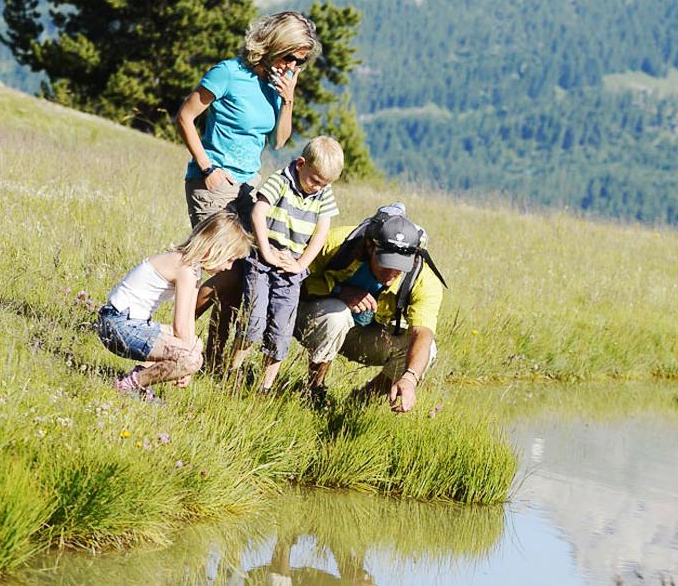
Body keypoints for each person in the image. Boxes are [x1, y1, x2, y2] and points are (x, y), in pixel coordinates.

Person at [293, 205, 446, 412]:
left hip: (360, 336)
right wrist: (339, 291)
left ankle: (356, 403)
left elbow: (423, 333)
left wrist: (410, 379)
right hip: (310, 320)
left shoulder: (424, 279)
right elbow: (291, 287)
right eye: (386, 263)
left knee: (429, 350)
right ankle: (313, 390)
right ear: (369, 247)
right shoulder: (336, 244)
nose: (392, 272)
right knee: (337, 314)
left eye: (400, 266)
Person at [173, 10, 315, 228]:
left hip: (248, 185)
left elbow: (278, 142)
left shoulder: (275, 85)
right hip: (214, 181)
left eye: (300, 60)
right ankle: (153, 264)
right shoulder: (228, 72)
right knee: (212, 258)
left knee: (243, 259)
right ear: (274, 44)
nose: (292, 66)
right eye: (289, 57)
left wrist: (288, 100)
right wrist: (207, 169)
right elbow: (184, 117)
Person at [95, 210, 254, 398]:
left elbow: (189, 320)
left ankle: (139, 377)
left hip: (123, 322)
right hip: (118, 326)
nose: (229, 267)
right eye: (230, 259)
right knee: (192, 357)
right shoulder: (185, 269)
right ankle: (128, 386)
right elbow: (179, 326)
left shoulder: (191, 267)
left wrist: (188, 356)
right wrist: (187, 363)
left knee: (196, 345)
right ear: (214, 248)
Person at [230, 137, 343, 392]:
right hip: (263, 261)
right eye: (315, 180)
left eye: (324, 184)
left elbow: (322, 232)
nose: (317, 188)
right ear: (301, 164)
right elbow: (258, 213)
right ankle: (233, 373)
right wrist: (267, 252)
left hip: (292, 269)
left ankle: (265, 387)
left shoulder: (323, 193)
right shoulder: (280, 180)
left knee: (282, 327)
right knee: (253, 321)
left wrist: (301, 263)